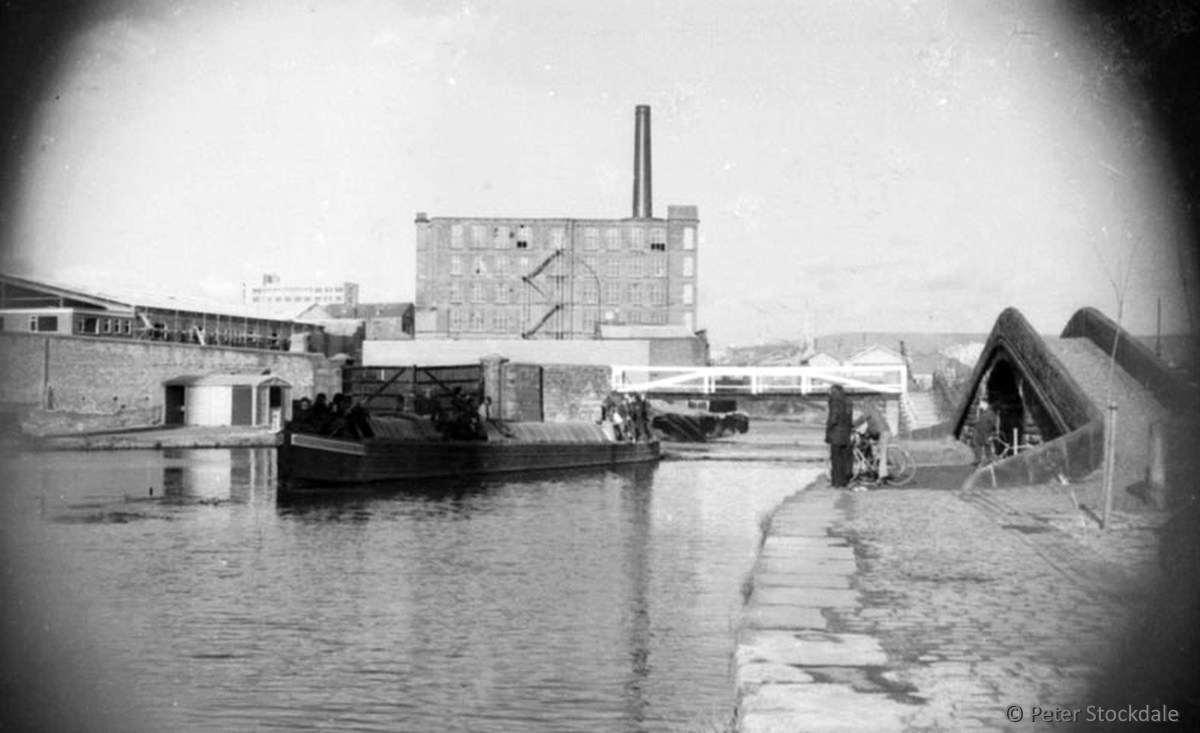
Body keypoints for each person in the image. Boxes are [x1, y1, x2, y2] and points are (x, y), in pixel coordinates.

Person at [853, 397, 892, 483]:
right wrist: (865, 433)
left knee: (882, 454)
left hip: (882, 433)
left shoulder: (869, 410)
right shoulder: (875, 411)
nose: (863, 405)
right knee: (868, 445)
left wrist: (851, 425)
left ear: (867, 404)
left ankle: (882, 476)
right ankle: (870, 468)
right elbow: (872, 425)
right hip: (883, 432)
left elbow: (861, 420)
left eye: (864, 403)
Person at [825, 385, 853, 488]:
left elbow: (834, 417)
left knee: (836, 459)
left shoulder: (835, 401)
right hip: (846, 434)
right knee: (845, 459)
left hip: (836, 434)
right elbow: (850, 418)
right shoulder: (848, 401)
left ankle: (836, 482)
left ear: (834, 391)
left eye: (830, 391)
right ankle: (844, 482)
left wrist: (828, 426)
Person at [972, 398, 998, 465]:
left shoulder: (991, 412)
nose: (979, 406)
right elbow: (978, 421)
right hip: (979, 432)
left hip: (986, 432)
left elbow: (993, 425)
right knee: (977, 444)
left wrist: (991, 434)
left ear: (985, 403)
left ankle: (989, 459)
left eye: (980, 404)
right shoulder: (981, 412)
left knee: (987, 446)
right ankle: (978, 460)